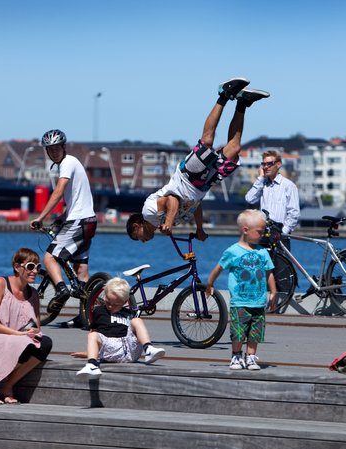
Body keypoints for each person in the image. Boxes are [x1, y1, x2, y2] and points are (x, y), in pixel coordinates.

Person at [127, 77, 270, 242]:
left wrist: (169, 221)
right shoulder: (163, 225)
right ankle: (242, 103)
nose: (142, 241)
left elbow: (172, 199)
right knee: (234, 149)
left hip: (188, 177)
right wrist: (199, 228)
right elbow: (195, 205)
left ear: (137, 226)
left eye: (137, 237)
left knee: (207, 142)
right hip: (203, 186)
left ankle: (224, 94)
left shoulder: (148, 213)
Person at [30, 129, 97, 312]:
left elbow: (59, 191)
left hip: (79, 222)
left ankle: (61, 290)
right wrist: (61, 218)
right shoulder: (70, 163)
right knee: (81, 269)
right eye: (50, 149)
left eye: (57, 148)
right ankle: (85, 314)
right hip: (88, 221)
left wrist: (40, 217)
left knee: (49, 257)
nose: (54, 152)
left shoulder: (67, 162)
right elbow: (75, 199)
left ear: (63, 147)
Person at [0, 248, 53, 403]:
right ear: (17, 267)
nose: (35, 271)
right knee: (24, 344)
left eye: (38, 267)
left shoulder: (34, 294)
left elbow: (37, 326)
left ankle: (8, 385)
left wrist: (34, 330)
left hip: (18, 338)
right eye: (30, 266)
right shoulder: (0, 284)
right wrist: (16, 334)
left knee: (44, 343)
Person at [206, 209, 276, 370]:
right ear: (245, 230)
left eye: (264, 231)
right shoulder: (233, 251)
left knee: (255, 332)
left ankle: (250, 357)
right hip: (240, 301)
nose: (263, 235)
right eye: (259, 232)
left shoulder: (263, 252)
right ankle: (236, 355)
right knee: (238, 331)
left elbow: (269, 273)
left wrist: (273, 292)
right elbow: (218, 268)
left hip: (258, 301)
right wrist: (210, 284)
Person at [72, 277, 165, 379]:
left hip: (130, 350)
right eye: (108, 302)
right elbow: (95, 333)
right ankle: (92, 365)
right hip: (109, 349)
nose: (110, 306)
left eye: (115, 304)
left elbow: (136, 332)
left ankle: (148, 349)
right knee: (92, 335)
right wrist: (89, 353)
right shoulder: (99, 311)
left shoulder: (128, 313)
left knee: (137, 321)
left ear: (124, 302)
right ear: (104, 296)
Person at [245, 150, 300, 246]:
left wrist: (283, 232)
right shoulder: (263, 183)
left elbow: (294, 213)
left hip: (280, 234)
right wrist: (260, 178)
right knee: (260, 260)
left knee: (281, 261)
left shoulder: (288, 186)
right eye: (264, 164)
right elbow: (250, 199)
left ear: (278, 164)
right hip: (263, 233)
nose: (266, 167)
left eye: (270, 164)